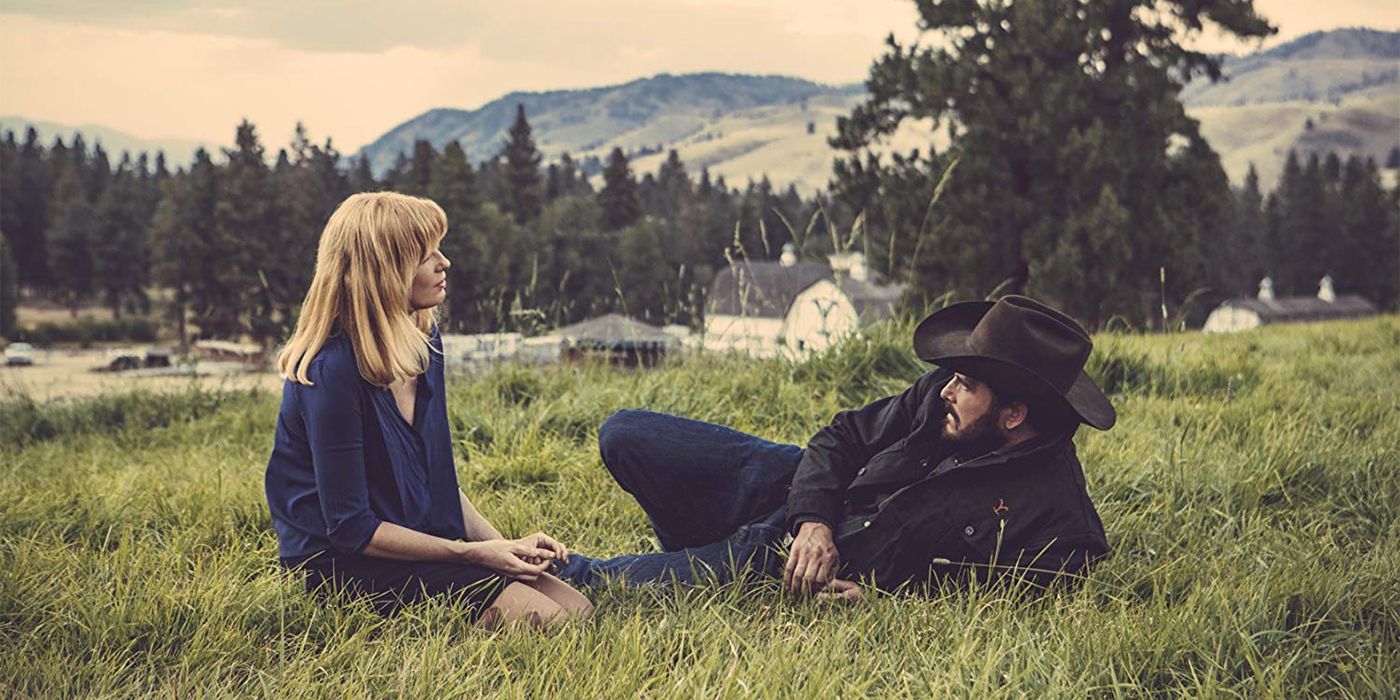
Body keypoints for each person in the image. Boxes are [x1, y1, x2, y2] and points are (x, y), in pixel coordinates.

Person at [556, 295, 1115, 601]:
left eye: (967, 384)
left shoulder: (1059, 526)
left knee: (591, 581)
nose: (946, 388)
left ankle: (545, 576)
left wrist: (884, 603)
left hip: (803, 559)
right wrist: (813, 519)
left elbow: (994, 595)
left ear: (1014, 415)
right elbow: (842, 437)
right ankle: (696, 555)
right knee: (625, 432)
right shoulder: (938, 396)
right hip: (801, 496)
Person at [265, 192, 591, 628]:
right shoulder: (331, 370)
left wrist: (507, 549)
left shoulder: (425, 343)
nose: (444, 263)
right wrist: (472, 554)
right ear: (384, 272)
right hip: (343, 566)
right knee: (556, 624)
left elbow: (437, 479)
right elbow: (351, 529)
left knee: (579, 610)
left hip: (412, 540)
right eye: (425, 255)